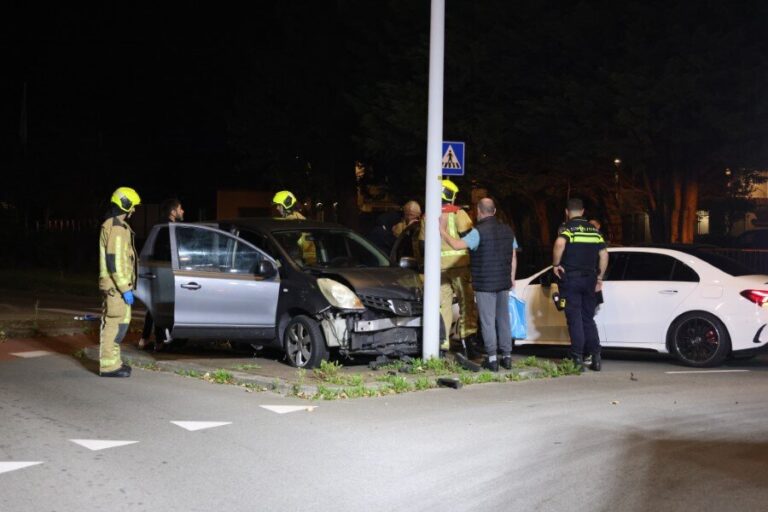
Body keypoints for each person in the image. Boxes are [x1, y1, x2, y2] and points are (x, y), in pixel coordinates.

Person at [440, 197, 518, 371]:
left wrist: (442, 230)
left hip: (484, 284)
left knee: (487, 321)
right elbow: (513, 256)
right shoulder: (507, 230)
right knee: (503, 320)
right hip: (503, 282)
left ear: (479, 211)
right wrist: (511, 278)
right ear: (495, 211)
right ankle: (507, 357)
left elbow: (456, 244)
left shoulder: (478, 232)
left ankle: (492, 359)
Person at [552, 198, 609, 371]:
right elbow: (605, 254)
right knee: (588, 318)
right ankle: (596, 357)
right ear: (583, 211)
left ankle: (577, 358)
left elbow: (560, 243)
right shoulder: (593, 230)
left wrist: (556, 265)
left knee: (574, 319)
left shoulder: (568, 229)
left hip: (572, 279)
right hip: (590, 279)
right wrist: (599, 278)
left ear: (567, 212)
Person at [422, 180, 478, 352]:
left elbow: (421, 244)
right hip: (460, 266)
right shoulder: (459, 213)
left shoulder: (427, 216)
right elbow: (471, 239)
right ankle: (468, 342)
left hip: (437, 269)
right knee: (466, 304)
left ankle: (442, 343)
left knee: (442, 305)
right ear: (451, 195)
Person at [98, 187, 141, 377]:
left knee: (120, 324)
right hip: (116, 288)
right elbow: (114, 262)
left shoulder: (116, 225)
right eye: (133, 207)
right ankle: (108, 366)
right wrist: (125, 289)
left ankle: (114, 362)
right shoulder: (116, 227)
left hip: (118, 287)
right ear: (125, 204)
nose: (134, 211)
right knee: (114, 324)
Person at [137, 197, 184, 350]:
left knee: (155, 305)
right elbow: (166, 251)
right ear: (173, 211)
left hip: (161, 269)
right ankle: (158, 341)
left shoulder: (162, 225)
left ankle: (146, 339)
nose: (182, 211)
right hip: (165, 270)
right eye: (180, 208)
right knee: (161, 304)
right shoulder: (167, 228)